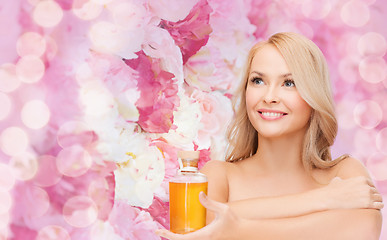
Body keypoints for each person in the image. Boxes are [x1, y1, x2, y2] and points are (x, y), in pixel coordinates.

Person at [156, 32, 383, 240]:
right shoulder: (218, 175)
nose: (269, 96)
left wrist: (236, 228)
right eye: (258, 81)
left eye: (289, 83)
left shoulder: (345, 173)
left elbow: (363, 229)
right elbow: (201, 227)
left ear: (314, 96)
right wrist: (323, 200)